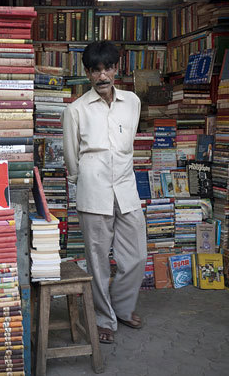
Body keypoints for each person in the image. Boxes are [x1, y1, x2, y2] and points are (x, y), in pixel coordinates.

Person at [61, 40, 147, 344]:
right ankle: (104, 318)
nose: (102, 76)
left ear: (116, 68)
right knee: (97, 261)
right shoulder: (75, 110)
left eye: (107, 68)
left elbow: (129, 143)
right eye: (95, 70)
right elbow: (71, 156)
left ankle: (122, 308)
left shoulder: (133, 102)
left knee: (136, 255)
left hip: (125, 188)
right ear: (87, 73)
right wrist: (82, 180)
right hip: (93, 190)